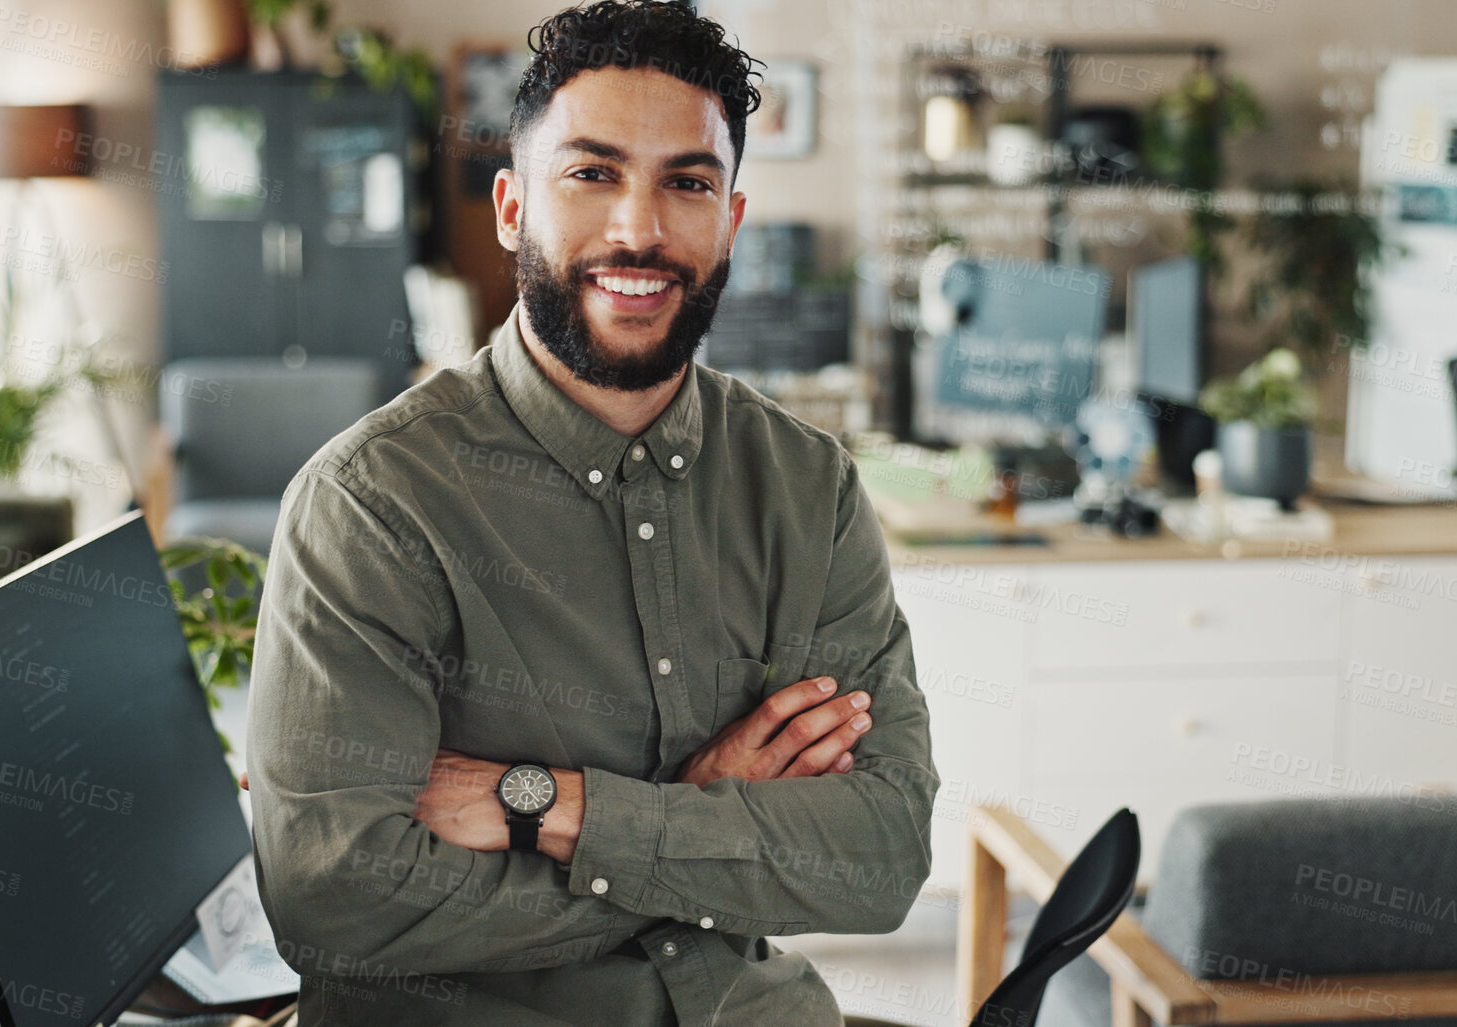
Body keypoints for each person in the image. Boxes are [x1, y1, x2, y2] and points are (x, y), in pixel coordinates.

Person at [246, 2, 939, 1023]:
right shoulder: (375, 503)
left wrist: (547, 805)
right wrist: (709, 826)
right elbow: (334, 896)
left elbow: (880, 858)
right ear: (512, 207)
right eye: (592, 173)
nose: (640, 229)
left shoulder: (807, 486)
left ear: (730, 222)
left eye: (688, 183)